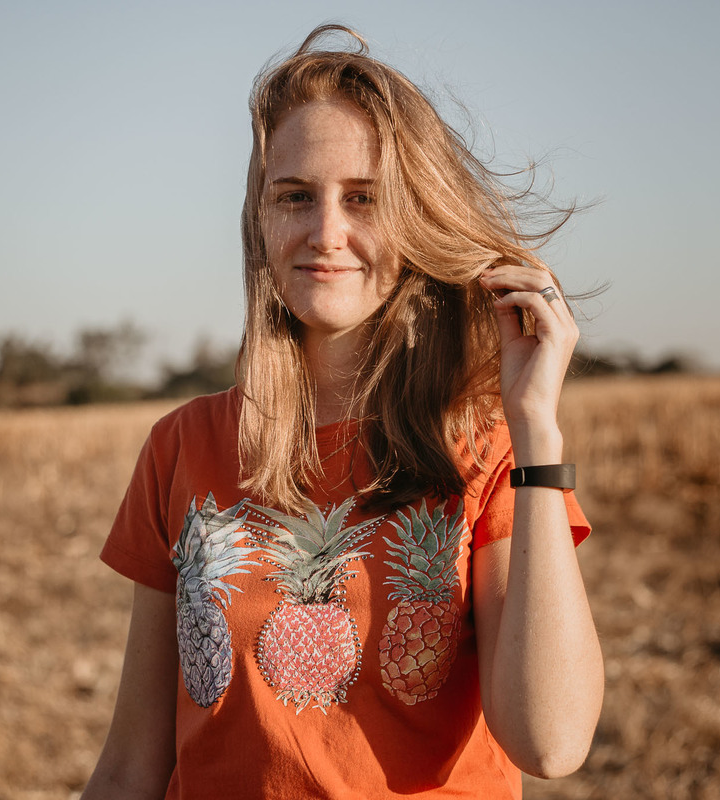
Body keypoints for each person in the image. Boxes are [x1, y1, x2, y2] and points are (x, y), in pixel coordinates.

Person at [82, 24, 603, 800]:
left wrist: (535, 429)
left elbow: (551, 742)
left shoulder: (488, 449)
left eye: (364, 198)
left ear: (416, 218)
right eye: (295, 197)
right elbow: (132, 766)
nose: (326, 233)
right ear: (260, 219)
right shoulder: (181, 445)